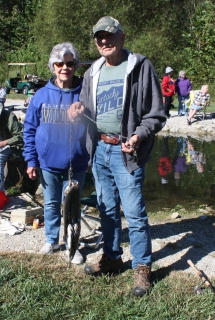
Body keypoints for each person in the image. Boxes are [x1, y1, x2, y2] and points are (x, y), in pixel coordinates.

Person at [67, 16, 166, 297]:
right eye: (99, 37)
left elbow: (156, 114)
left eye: (109, 36)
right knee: (106, 209)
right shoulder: (92, 71)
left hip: (127, 152)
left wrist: (138, 136)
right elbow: (85, 107)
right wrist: (77, 110)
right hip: (99, 150)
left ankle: (142, 268)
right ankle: (111, 258)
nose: (104, 42)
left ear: (122, 37)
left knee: (134, 214)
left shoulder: (141, 67)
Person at [23, 42, 88, 265]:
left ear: (75, 66)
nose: (65, 68)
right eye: (60, 63)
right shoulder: (40, 95)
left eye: (70, 63)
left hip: (77, 162)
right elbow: (29, 129)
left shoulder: (85, 93)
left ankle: (73, 244)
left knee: (72, 206)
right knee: (51, 204)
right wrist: (31, 160)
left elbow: (96, 125)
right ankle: (52, 240)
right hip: (47, 162)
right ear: (53, 66)